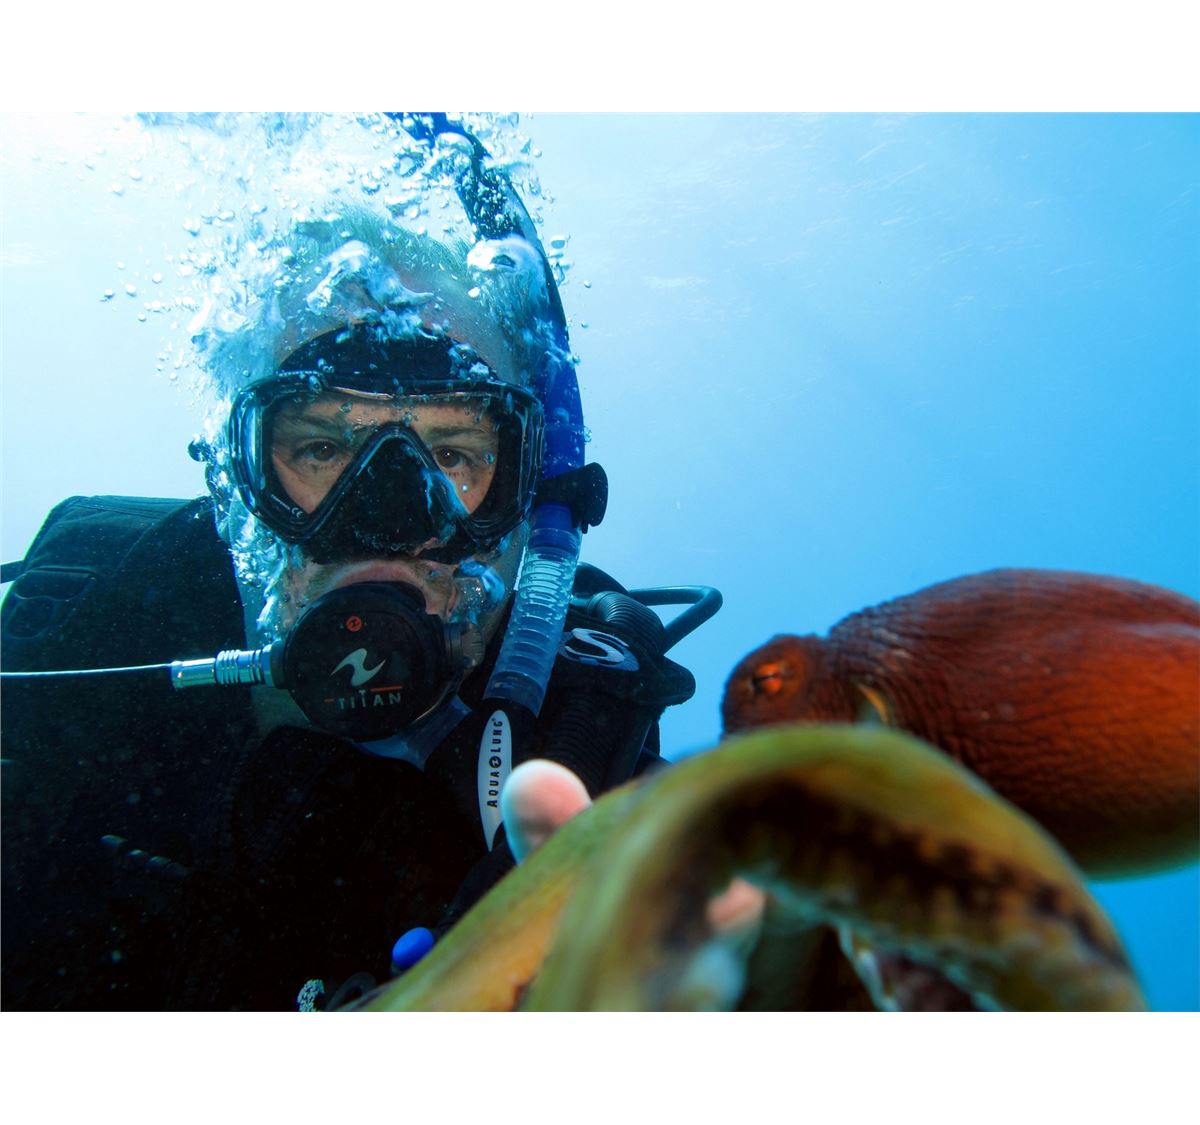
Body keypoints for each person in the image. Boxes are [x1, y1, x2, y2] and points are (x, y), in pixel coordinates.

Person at [0, 117, 718, 1011]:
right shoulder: (86, 642)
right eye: (323, 446)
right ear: (238, 481)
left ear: (529, 498)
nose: (391, 521)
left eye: (452, 455)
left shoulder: (578, 726)